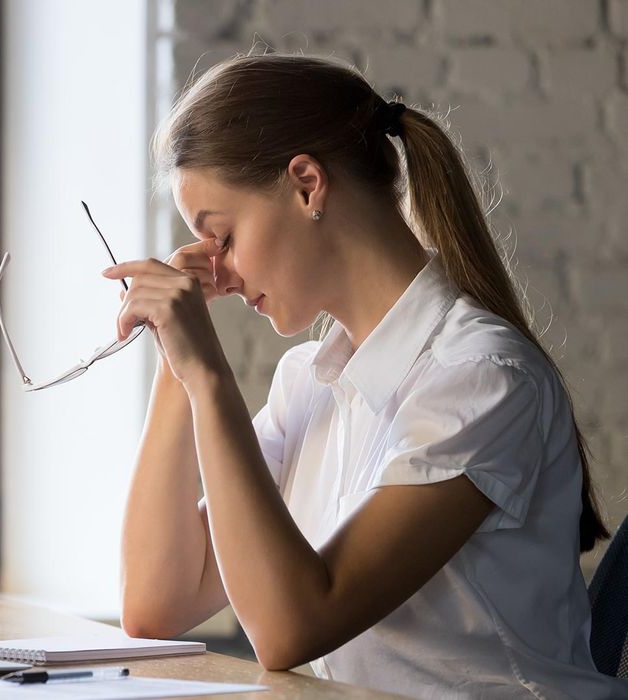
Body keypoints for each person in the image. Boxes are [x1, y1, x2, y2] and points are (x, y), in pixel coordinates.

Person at [104, 52, 628, 699]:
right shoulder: (309, 384)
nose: (221, 272)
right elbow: (156, 601)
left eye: (224, 236)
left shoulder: (482, 378)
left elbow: (291, 627)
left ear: (305, 185)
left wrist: (208, 374)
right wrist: (176, 364)